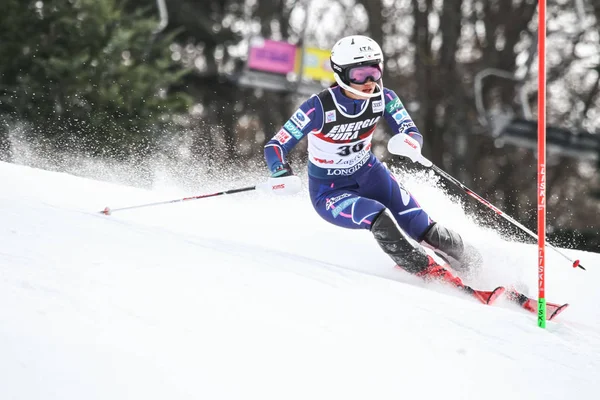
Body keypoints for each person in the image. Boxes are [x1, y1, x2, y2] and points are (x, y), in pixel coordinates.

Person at [263, 35, 480, 291]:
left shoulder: (383, 97)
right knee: (379, 217)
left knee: (425, 229)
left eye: (375, 71)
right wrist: (280, 171)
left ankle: (479, 268)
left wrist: (410, 143)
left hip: (371, 175)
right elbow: (275, 146)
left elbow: (410, 130)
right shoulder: (318, 107)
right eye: (360, 74)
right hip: (331, 191)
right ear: (341, 74)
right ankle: (431, 275)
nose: (369, 81)